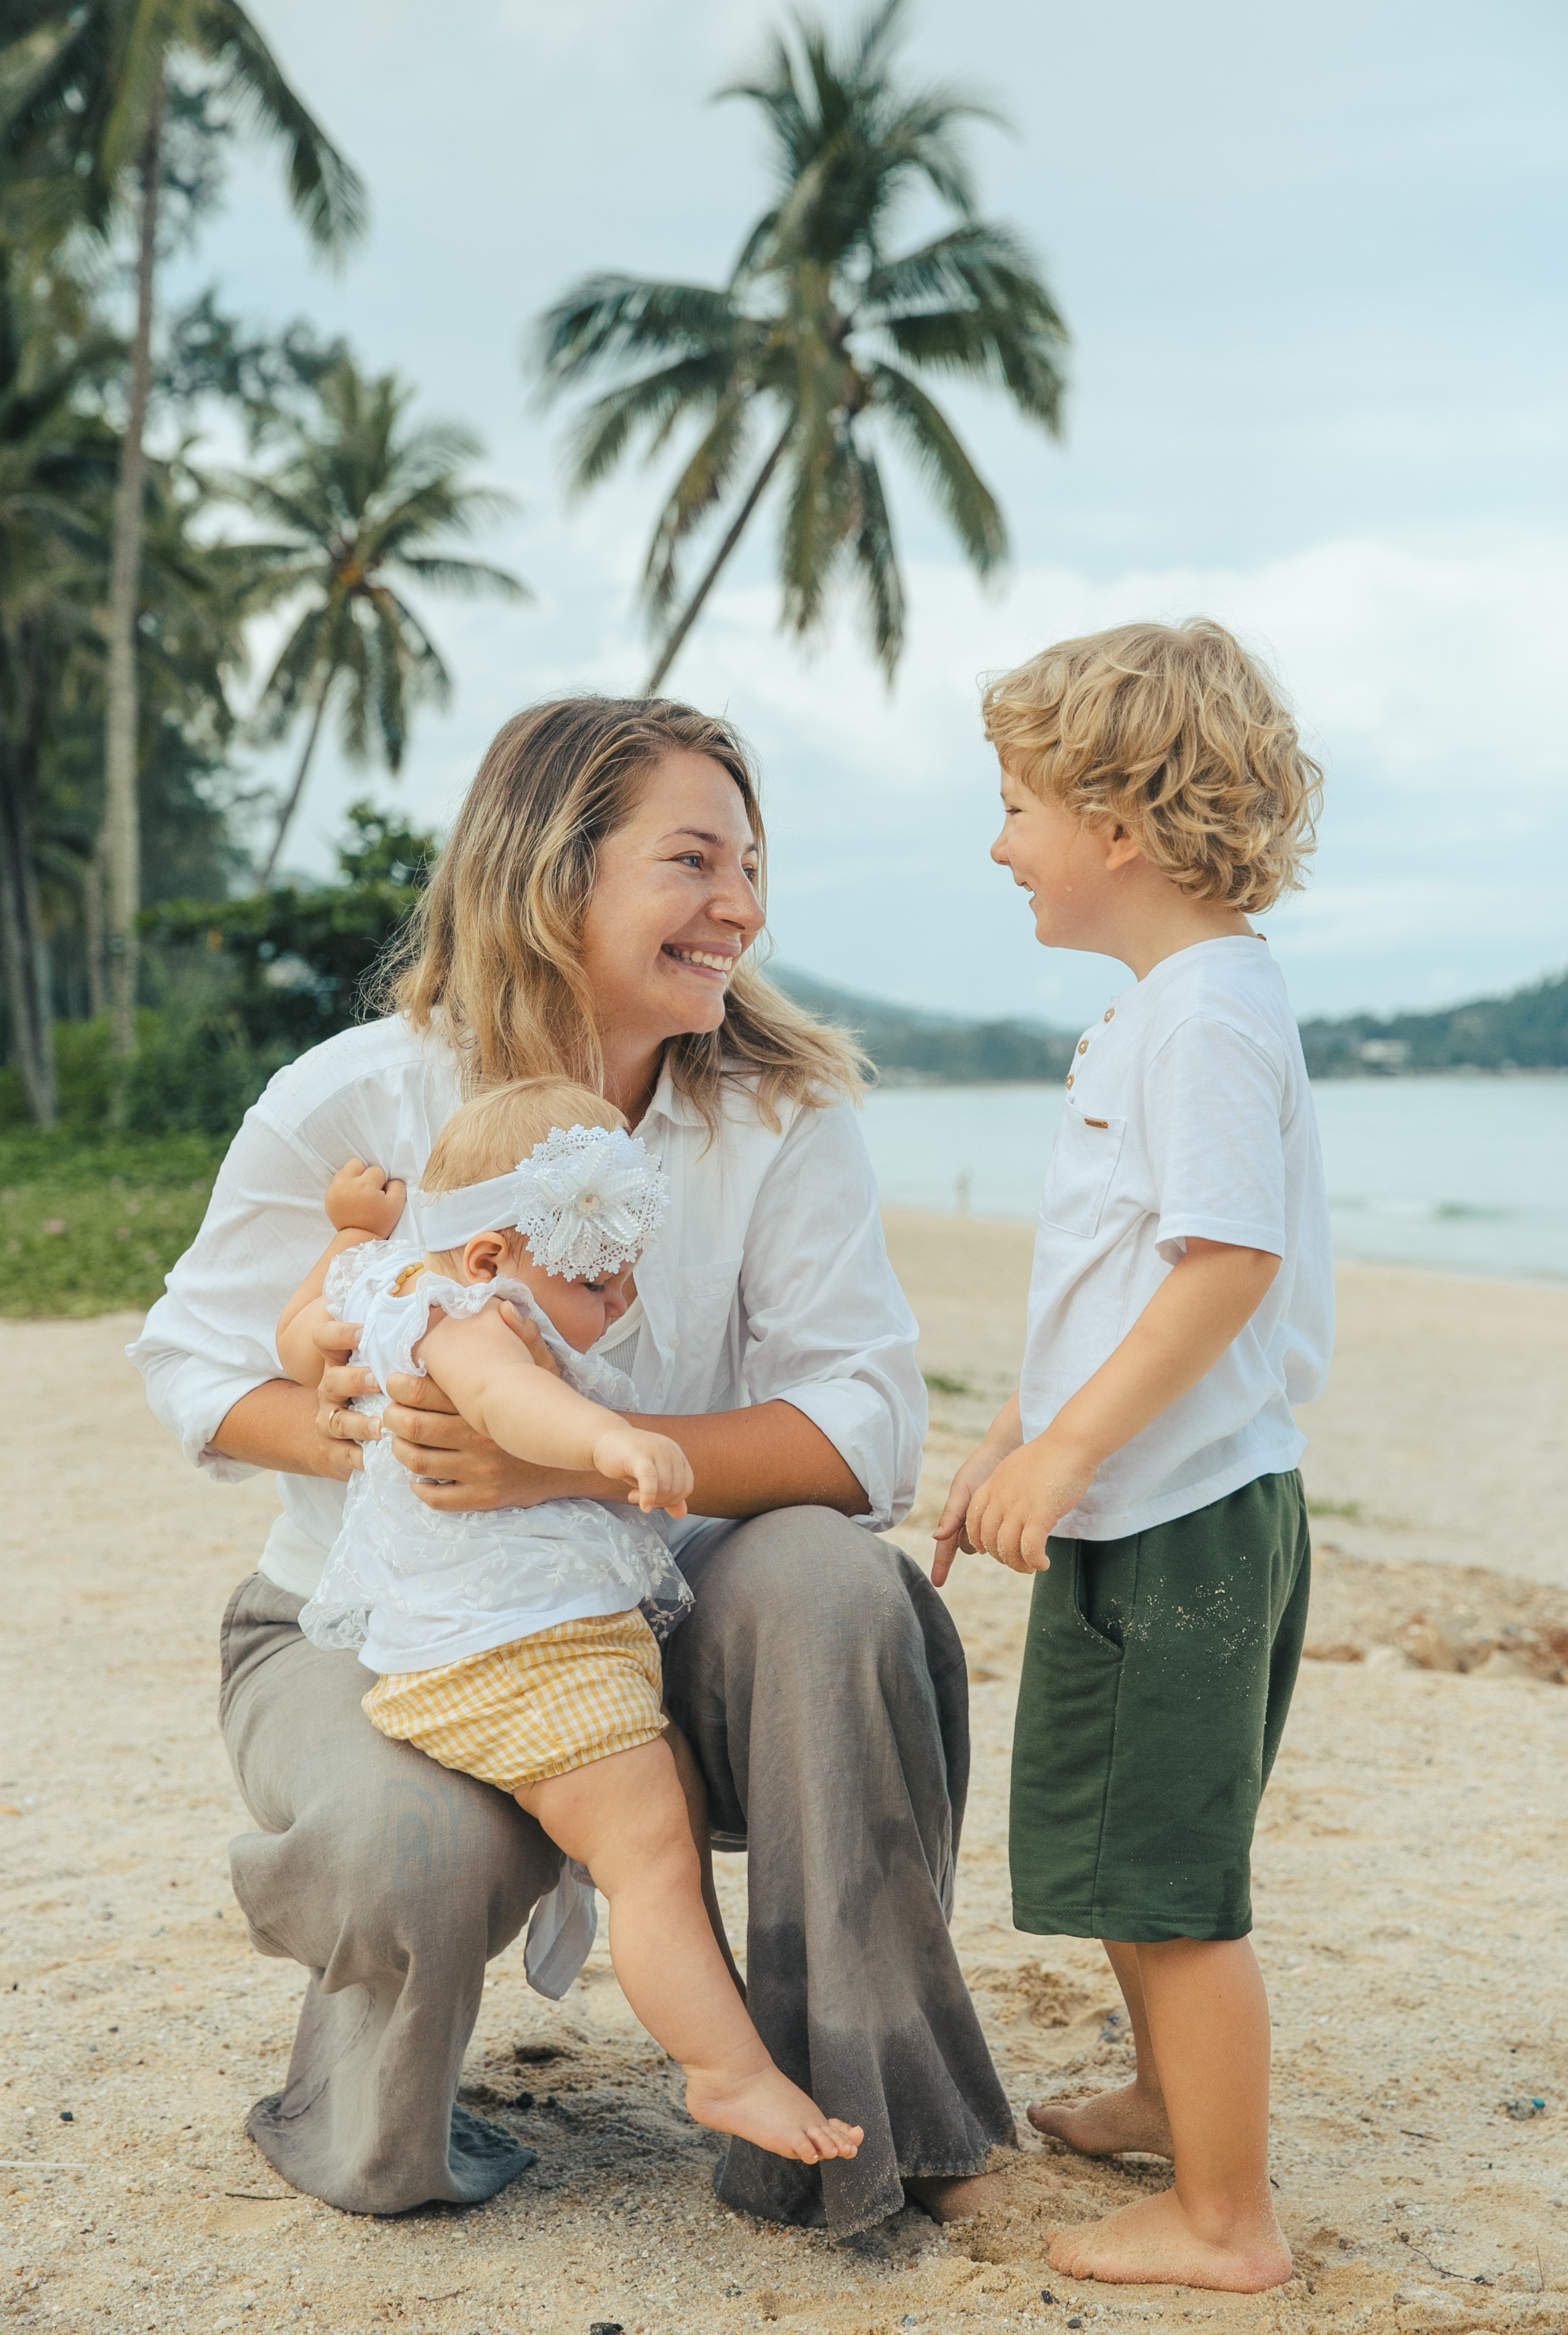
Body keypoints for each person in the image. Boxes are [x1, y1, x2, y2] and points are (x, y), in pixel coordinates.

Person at [131, 695, 1014, 2233]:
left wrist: (580, 1466)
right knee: (410, 1843)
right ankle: (374, 2117)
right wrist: (361, 1419)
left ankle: (860, 2121)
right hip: (380, 1632)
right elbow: (194, 1367)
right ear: (553, 874)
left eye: (749, 863)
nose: (738, 903)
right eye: (692, 859)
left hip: (666, 1619)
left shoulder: (777, 1114)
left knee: (834, 1584)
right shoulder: (354, 1098)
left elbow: (865, 1425)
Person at [933, 620, 1333, 2292]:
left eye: (1015, 803)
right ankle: (1171, 2098)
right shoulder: (1162, 1008)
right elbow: (1117, 1276)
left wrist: (1077, 1441)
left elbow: (1222, 1264)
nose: (997, 838)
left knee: (1170, 1872)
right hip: (1140, 1497)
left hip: (1184, 1516)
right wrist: (1020, 1433)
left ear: (1114, 822)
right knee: (1118, 1834)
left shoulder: (1204, 1017)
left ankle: (1224, 2220)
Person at [275, 1078, 863, 2167]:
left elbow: (302, 1334)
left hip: (478, 1645)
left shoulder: (388, 1282)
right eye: (598, 1275)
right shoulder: (470, 1321)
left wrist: (351, 1236)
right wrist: (604, 1440)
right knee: (651, 1857)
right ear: (494, 1256)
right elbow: (509, 1405)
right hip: (521, 1655)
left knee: (660, 1816)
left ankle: (721, 2043)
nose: (620, 1297)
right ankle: (726, 2073)